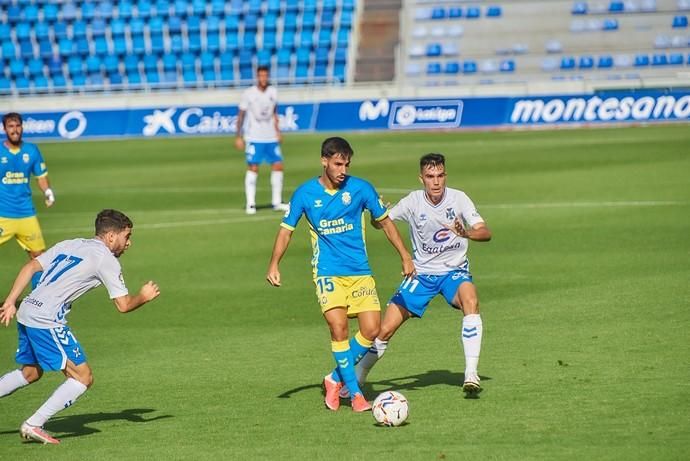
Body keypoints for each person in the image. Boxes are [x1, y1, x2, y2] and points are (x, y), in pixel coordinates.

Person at [266, 137, 415, 412]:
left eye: (346, 164)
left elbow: (386, 223)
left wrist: (405, 256)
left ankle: (334, 378)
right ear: (324, 161)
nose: (342, 169)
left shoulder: (361, 189)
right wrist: (275, 264)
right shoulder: (305, 194)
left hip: (360, 272)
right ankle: (356, 395)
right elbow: (286, 230)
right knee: (339, 329)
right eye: (337, 163)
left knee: (372, 330)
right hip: (327, 273)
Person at [0, 209, 160, 445]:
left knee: (30, 372)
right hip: (46, 320)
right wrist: (144, 297)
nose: (129, 243)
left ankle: (33, 423)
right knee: (83, 378)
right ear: (111, 236)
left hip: (27, 311)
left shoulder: (71, 243)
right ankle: (34, 424)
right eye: (127, 237)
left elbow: (31, 267)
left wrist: (11, 301)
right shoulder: (106, 259)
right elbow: (124, 306)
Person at [353, 153, 492, 396]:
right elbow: (382, 223)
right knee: (384, 329)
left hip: (454, 272)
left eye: (440, 176)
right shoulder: (413, 202)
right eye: (430, 177)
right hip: (422, 275)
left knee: (471, 300)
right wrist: (378, 213)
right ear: (421, 178)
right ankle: (358, 378)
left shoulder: (459, 199)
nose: (436, 182)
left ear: (445, 175)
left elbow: (485, 232)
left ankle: (471, 374)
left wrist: (467, 233)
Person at [1, 112, 56, 289]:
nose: (14, 130)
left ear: (22, 127)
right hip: (3, 215)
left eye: (17, 126)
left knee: (39, 257)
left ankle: (38, 299)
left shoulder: (31, 150)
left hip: (26, 214)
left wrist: (47, 191)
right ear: (4, 129)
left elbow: (40, 176)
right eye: (11, 126)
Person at [235, 65, 288, 215]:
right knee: (253, 167)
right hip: (254, 136)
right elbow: (241, 115)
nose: (263, 78)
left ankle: (277, 202)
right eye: (261, 76)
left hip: (271, 136)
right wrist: (238, 136)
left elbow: (275, 113)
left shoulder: (273, 92)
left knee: (278, 165)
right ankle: (250, 204)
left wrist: (278, 132)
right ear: (257, 77)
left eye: (266, 75)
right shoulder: (249, 93)